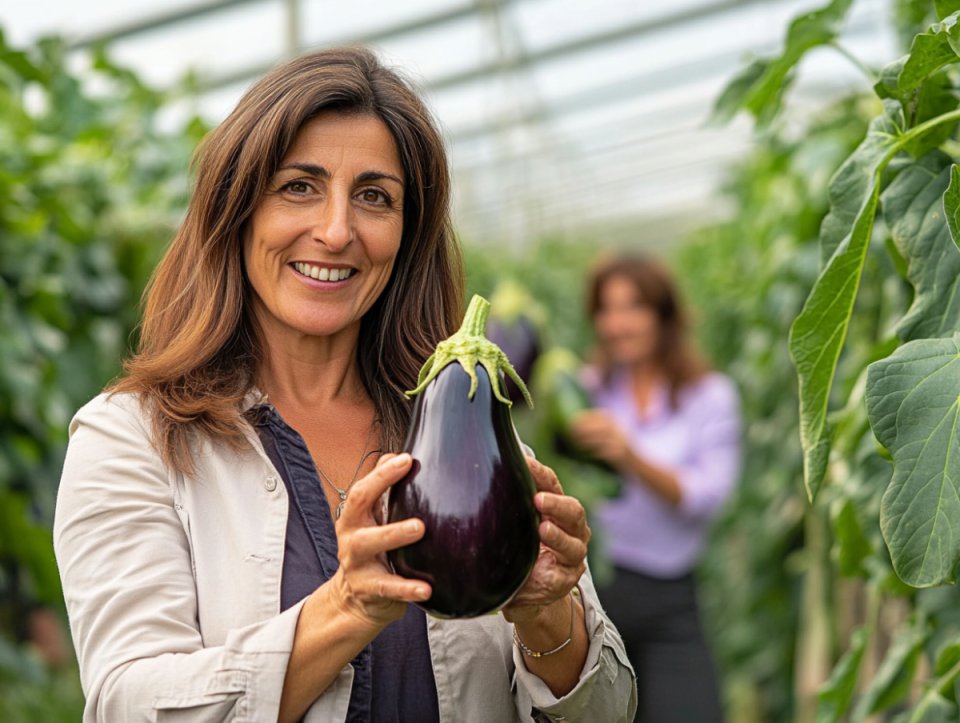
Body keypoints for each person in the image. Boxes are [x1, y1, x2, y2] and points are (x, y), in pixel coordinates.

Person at [52, 47, 636, 722]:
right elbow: (130, 703)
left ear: (406, 233)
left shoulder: (470, 423)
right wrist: (346, 607)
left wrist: (546, 616)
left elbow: (610, 710)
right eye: (298, 186)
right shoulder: (130, 440)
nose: (336, 231)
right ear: (237, 210)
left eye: (374, 197)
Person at [569, 254, 741, 723]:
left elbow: (706, 498)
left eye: (634, 308)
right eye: (607, 310)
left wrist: (630, 456)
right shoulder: (586, 389)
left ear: (664, 316)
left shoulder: (709, 396)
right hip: (594, 595)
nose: (618, 324)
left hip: (670, 596)